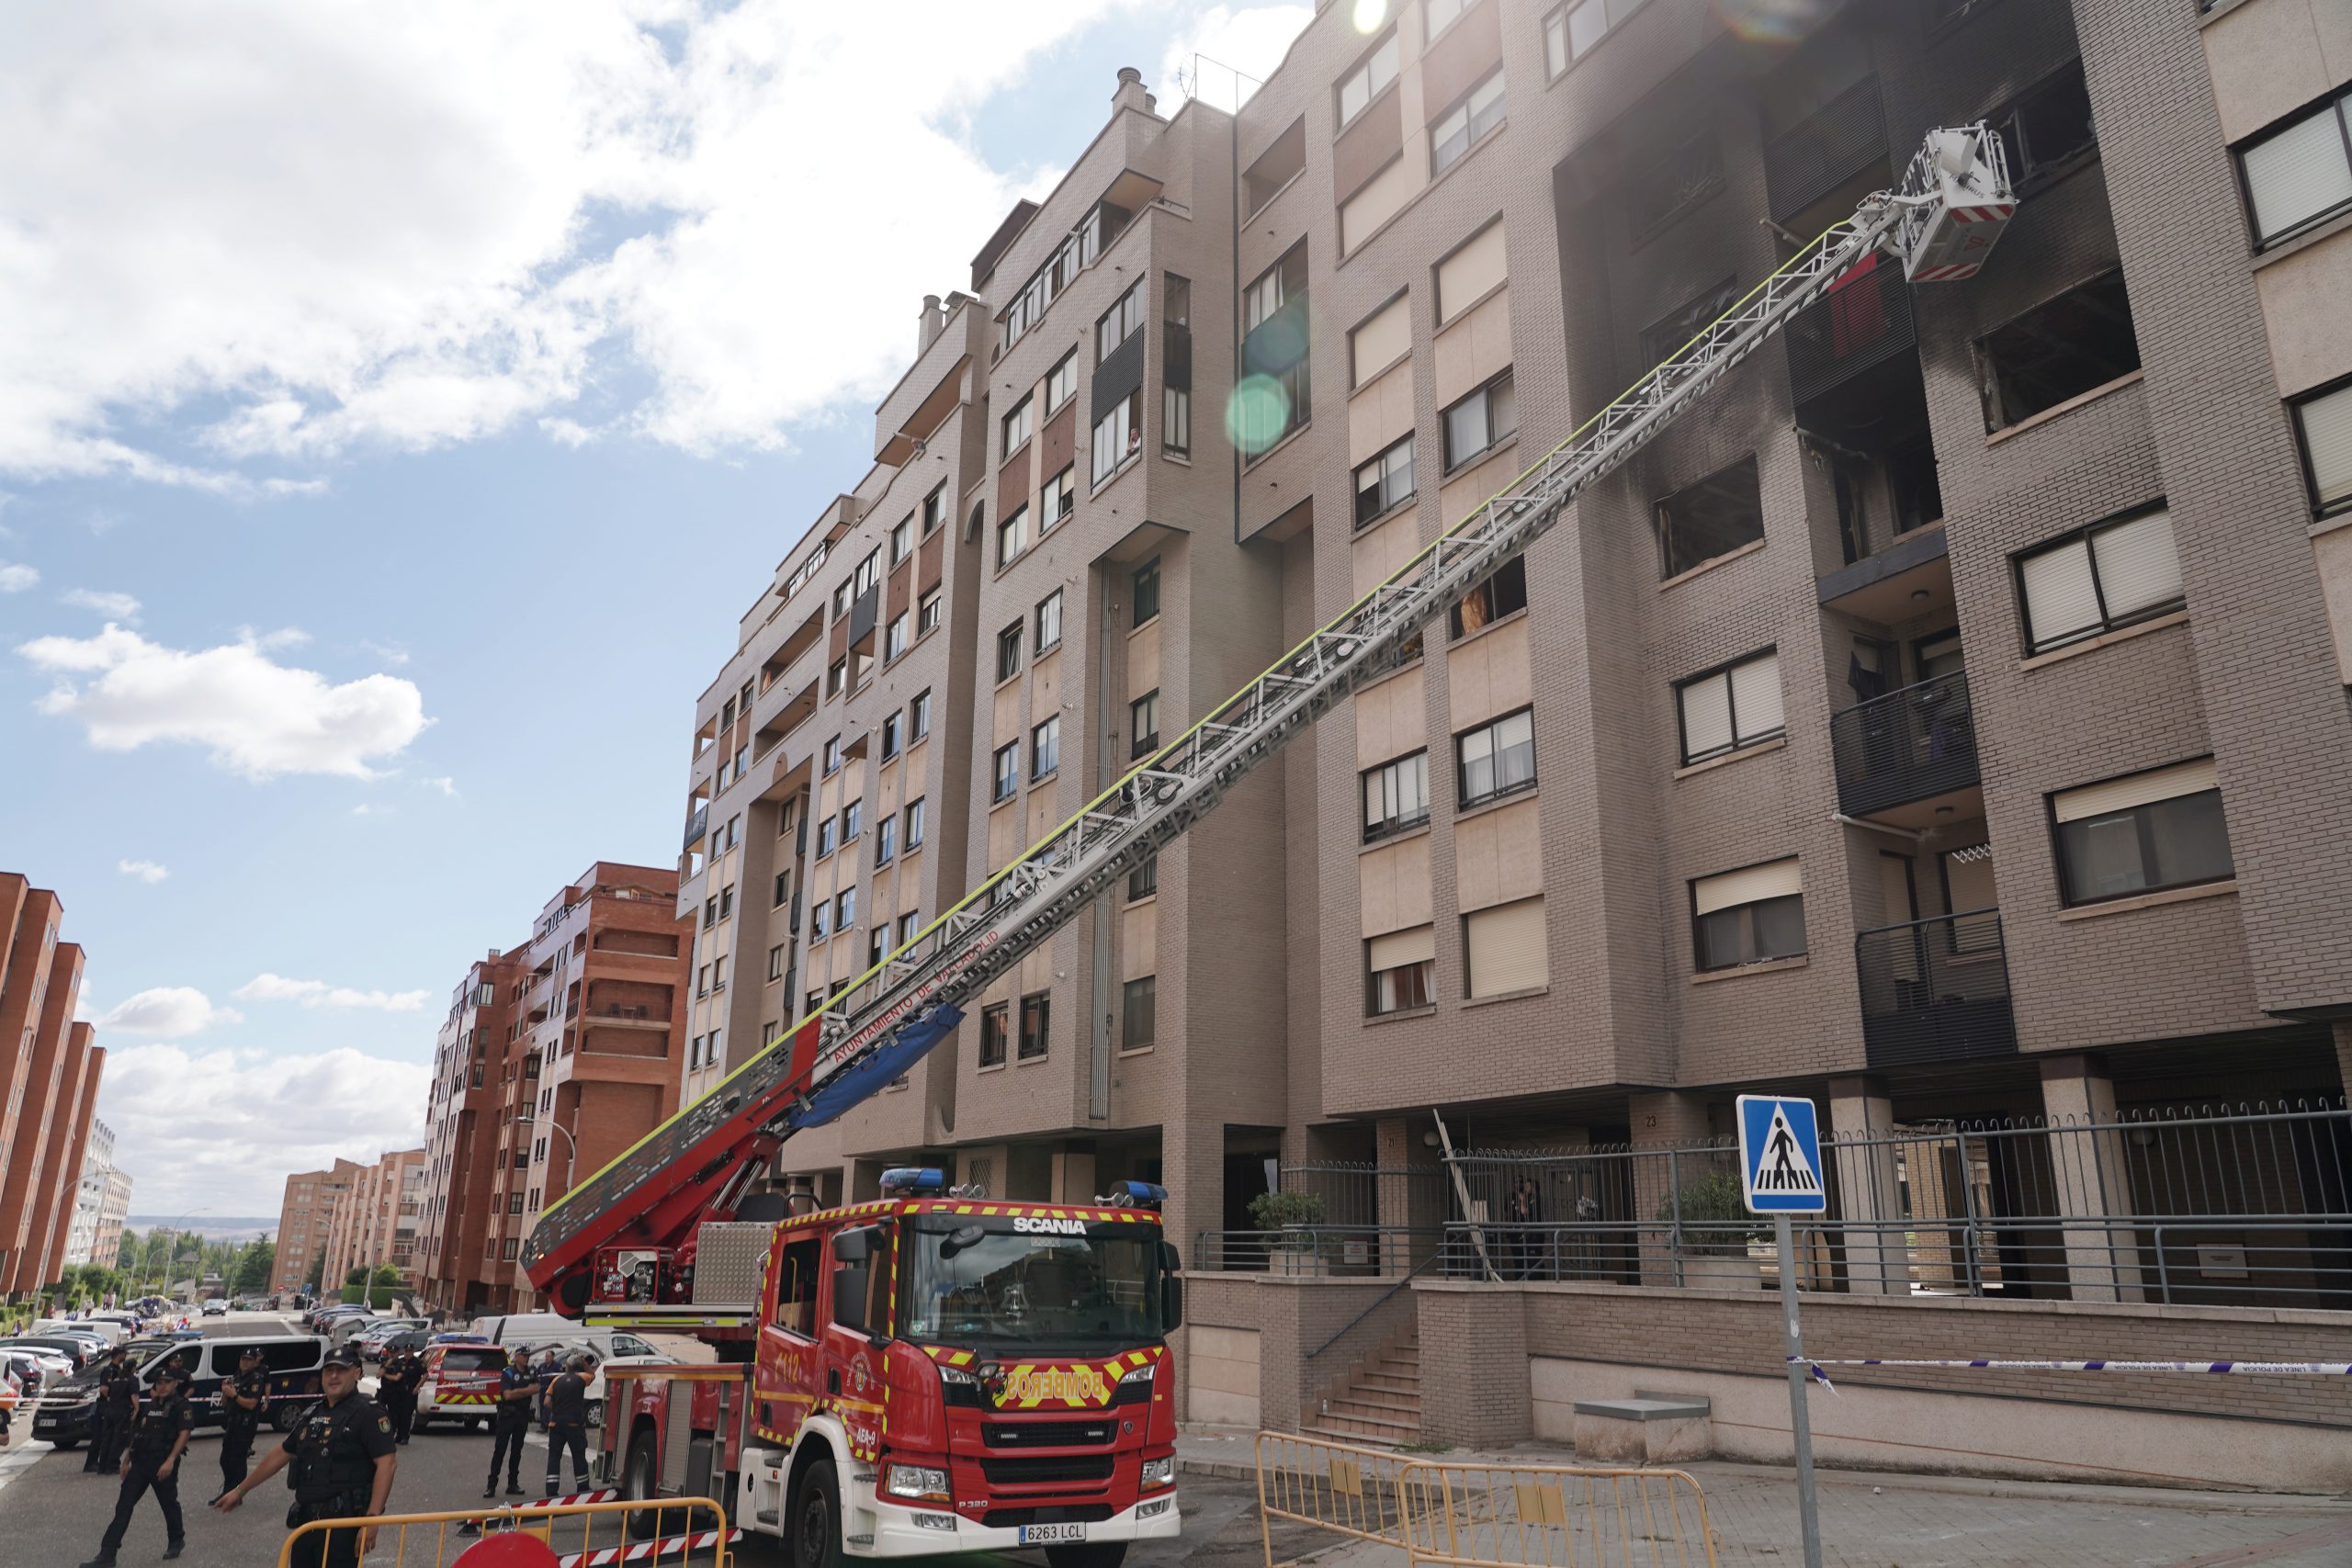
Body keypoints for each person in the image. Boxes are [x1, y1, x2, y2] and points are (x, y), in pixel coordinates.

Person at [214, 1345, 396, 1568]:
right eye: (329, 1371)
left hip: (342, 1526)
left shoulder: (369, 1412)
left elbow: (387, 1464)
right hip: (306, 1522)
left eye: (342, 1370)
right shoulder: (313, 1413)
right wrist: (241, 1489)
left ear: (357, 1373)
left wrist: (372, 1519)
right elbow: (281, 1453)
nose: (334, 1376)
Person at [79, 1359, 193, 1566]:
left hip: (162, 1463)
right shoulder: (150, 1406)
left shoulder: (180, 1406)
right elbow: (139, 1432)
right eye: (159, 1383)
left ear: (175, 1383)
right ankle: (107, 1554)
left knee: (168, 1504)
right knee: (124, 1506)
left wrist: (170, 1460)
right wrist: (126, 1459)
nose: (162, 1386)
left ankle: (176, 1540)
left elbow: (184, 1433)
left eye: (167, 1382)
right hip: (141, 1463)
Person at [215, 1346, 266, 1499]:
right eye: (243, 1359)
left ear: (254, 1362)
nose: (245, 1362)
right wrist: (225, 1391)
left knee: (238, 1461)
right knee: (225, 1459)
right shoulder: (235, 1377)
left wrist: (235, 1395)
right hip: (232, 1422)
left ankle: (236, 1495)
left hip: (246, 1424)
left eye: (249, 1360)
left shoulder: (256, 1379)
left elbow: (252, 1404)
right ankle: (227, 1490)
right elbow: (224, 1403)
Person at [483, 1347, 537, 1499]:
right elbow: (507, 1395)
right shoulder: (508, 1372)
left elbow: (537, 1388)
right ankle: (491, 1485)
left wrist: (518, 1392)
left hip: (523, 1415)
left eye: (528, 1355)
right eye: (524, 1356)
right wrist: (526, 1390)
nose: (527, 1358)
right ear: (517, 1357)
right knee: (500, 1450)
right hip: (507, 1415)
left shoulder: (531, 1371)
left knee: (517, 1451)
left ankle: (512, 1484)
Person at [542, 1354, 594, 1498]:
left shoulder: (557, 1380)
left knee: (554, 1456)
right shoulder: (582, 1378)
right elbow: (592, 1375)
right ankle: (583, 1488)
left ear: (567, 1366)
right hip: (574, 1424)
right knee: (578, 1455)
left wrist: (558, 1410)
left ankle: (551, 1490)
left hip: (556, 1423)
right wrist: (584, 1362)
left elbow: (546, 1402)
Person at [86, 1346, 138, 1475]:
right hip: (107, 1407)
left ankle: (103, 1464)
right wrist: (114, 1400)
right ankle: (96, 1463)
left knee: (108, 1437)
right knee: (104, 1437)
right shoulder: (110, 1370)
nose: (125, 1355)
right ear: (118, 1355)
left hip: (111, 1408)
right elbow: (104, 1389)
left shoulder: (119, 1371)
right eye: (123, 1353)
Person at [378, 1344, 423, 1445]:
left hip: (400, 1393)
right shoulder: (386, 1363)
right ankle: (393, 1436)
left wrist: (418, 1387)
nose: (408, 1352)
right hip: (385, 1393)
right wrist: (386, 1366)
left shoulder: (402, 1364)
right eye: (391, 1353)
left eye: (410, 1350)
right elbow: (378, 1376)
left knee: (403, 1416)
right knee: (382, 1415)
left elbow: (397, 1378)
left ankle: (403, 1436)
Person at [1504, 1174, 1544, 1281]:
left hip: (1531, 1233)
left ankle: (1534, 1280)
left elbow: (1523, 1212)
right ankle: (1521, 1280)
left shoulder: (1533, 1198)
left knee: (1532, 1259)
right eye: (1516, 1182)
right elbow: (1507, 1214)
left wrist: (1521, 1200)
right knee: (1520, 1261)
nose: (1519, 1185)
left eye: (1522, 1182)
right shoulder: (1514, 1197)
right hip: (1518, 1233)